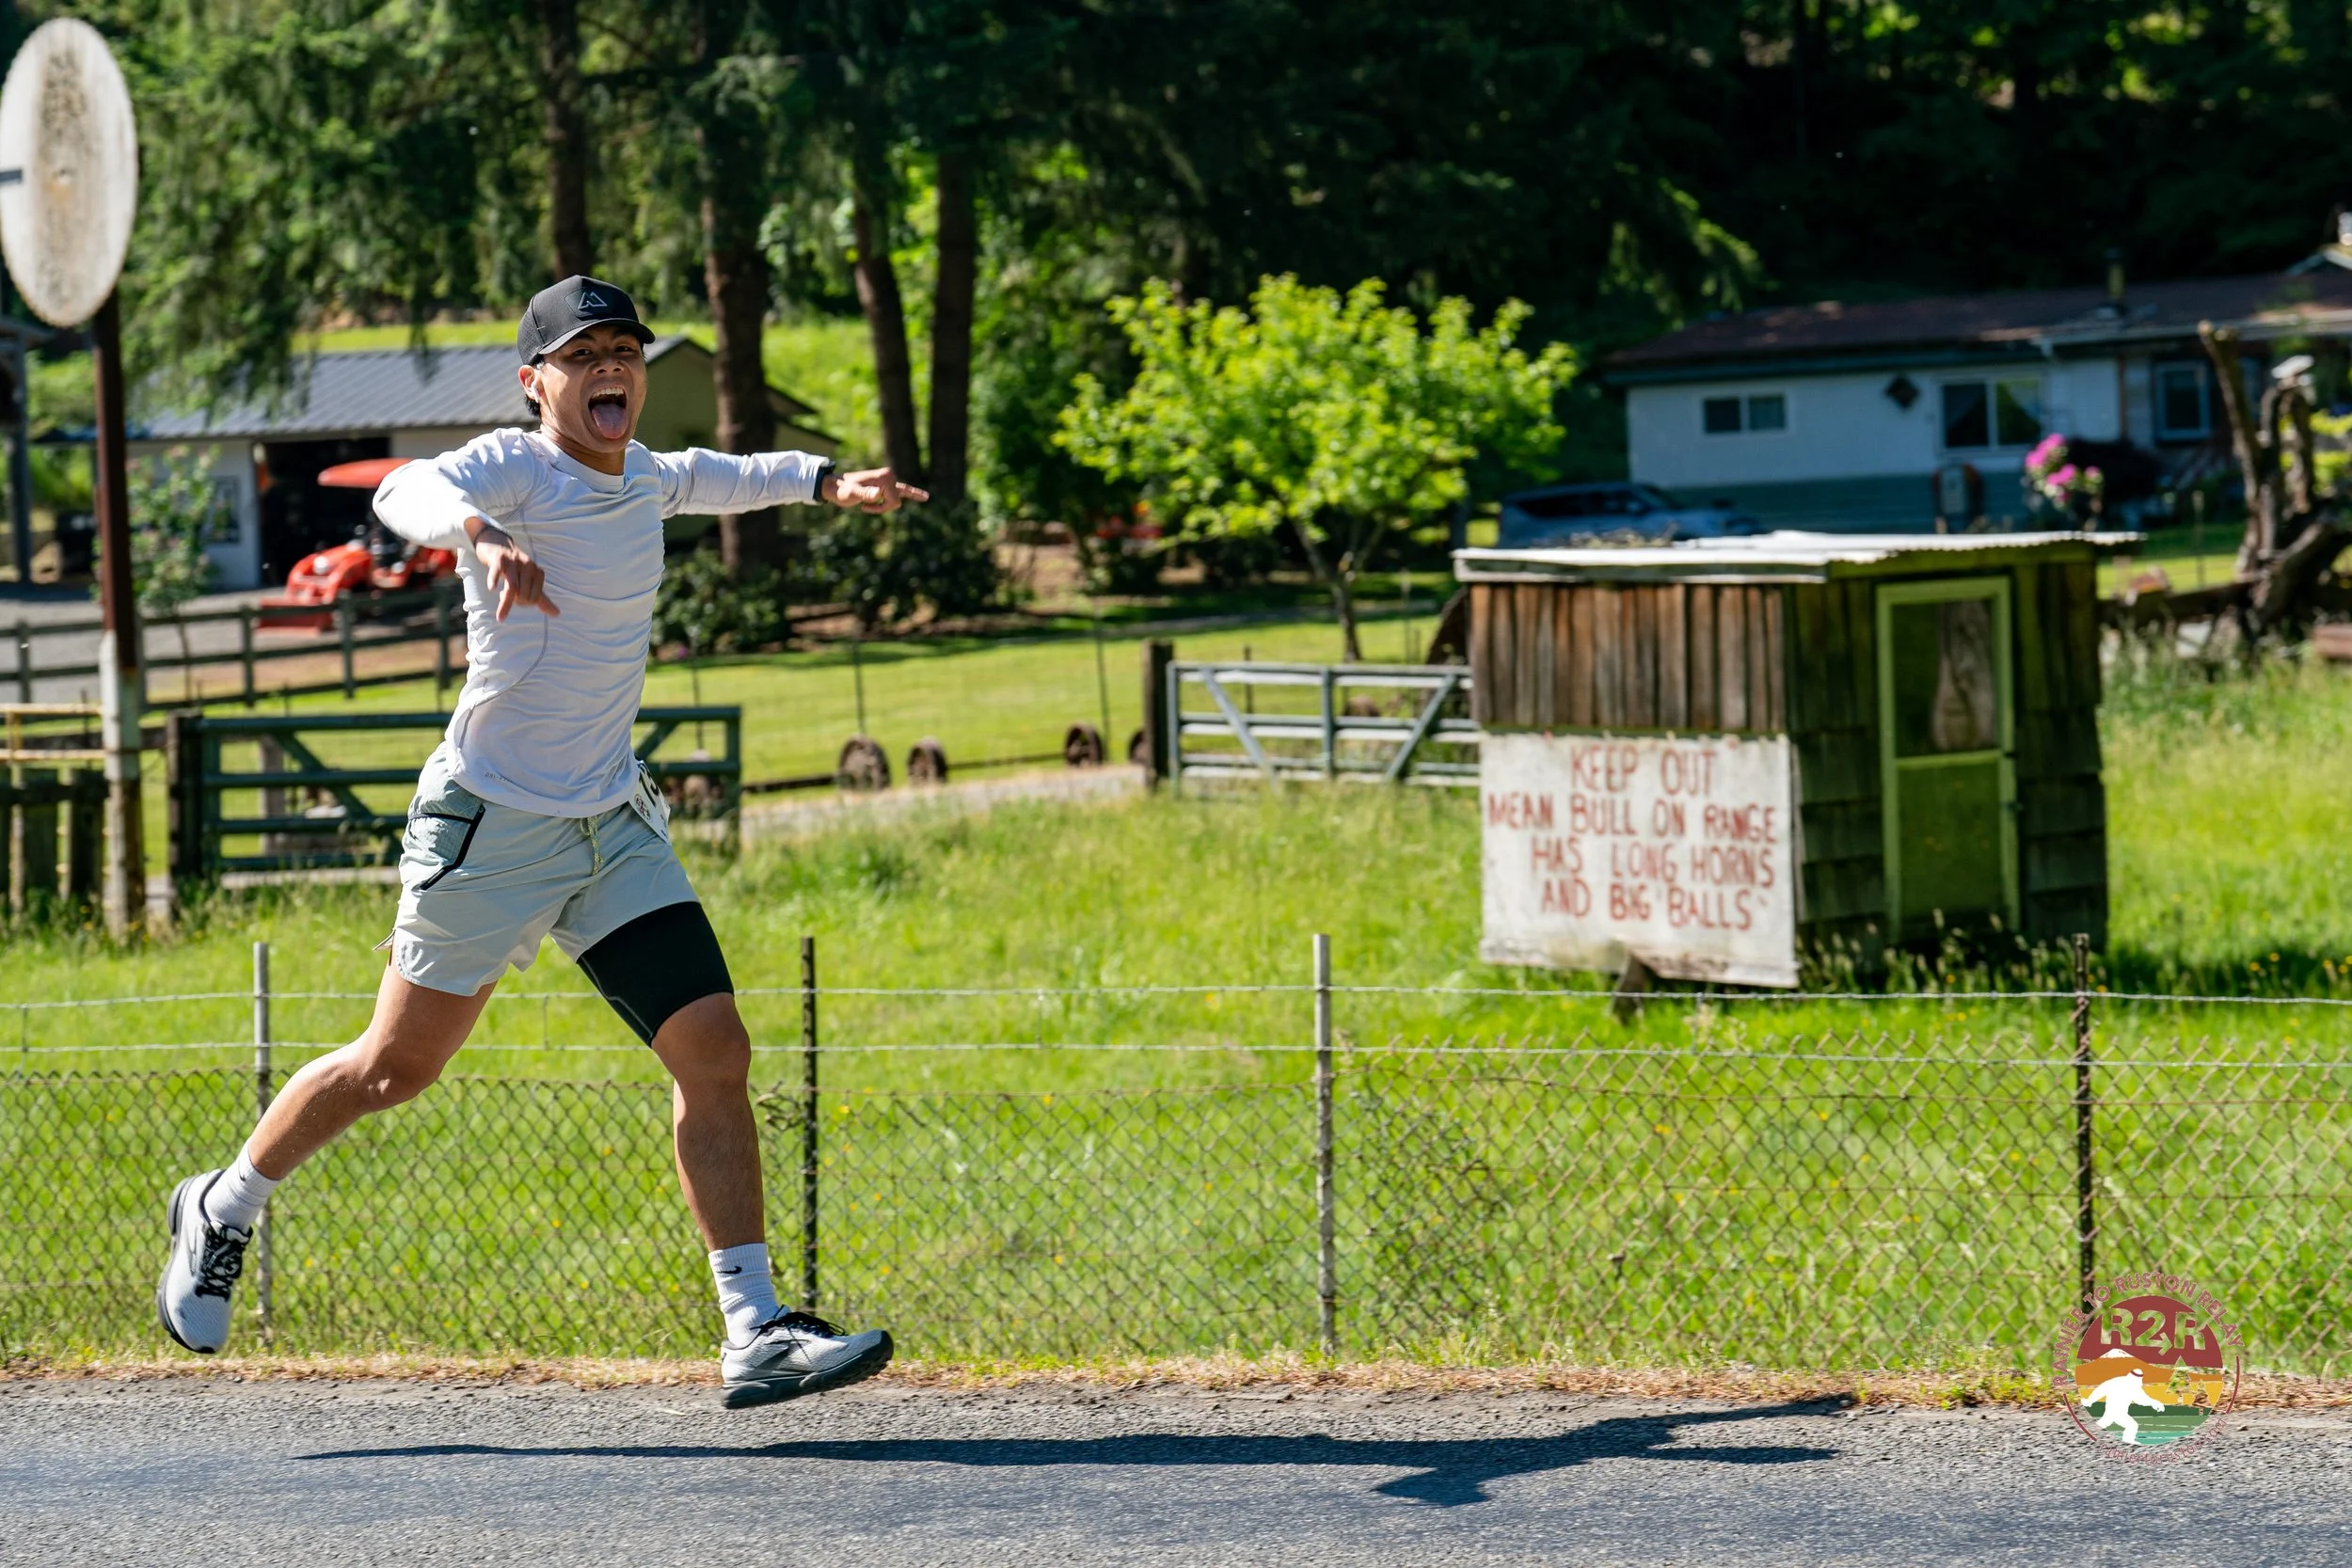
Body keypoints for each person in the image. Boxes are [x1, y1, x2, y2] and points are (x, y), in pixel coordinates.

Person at [156, 277, 924, 1410]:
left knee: (713, 1046)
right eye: (582, 354)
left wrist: (826, 482)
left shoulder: (648, 473)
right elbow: (408, 491)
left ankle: (754, 1325)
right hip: (491, 820)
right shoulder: (515, 468)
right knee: (390, 1069)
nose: (610, 365)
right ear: (537, 384)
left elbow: (729, 475)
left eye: (624, 348)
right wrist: (478, 533)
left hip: (608, 819)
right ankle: (222, 1203)